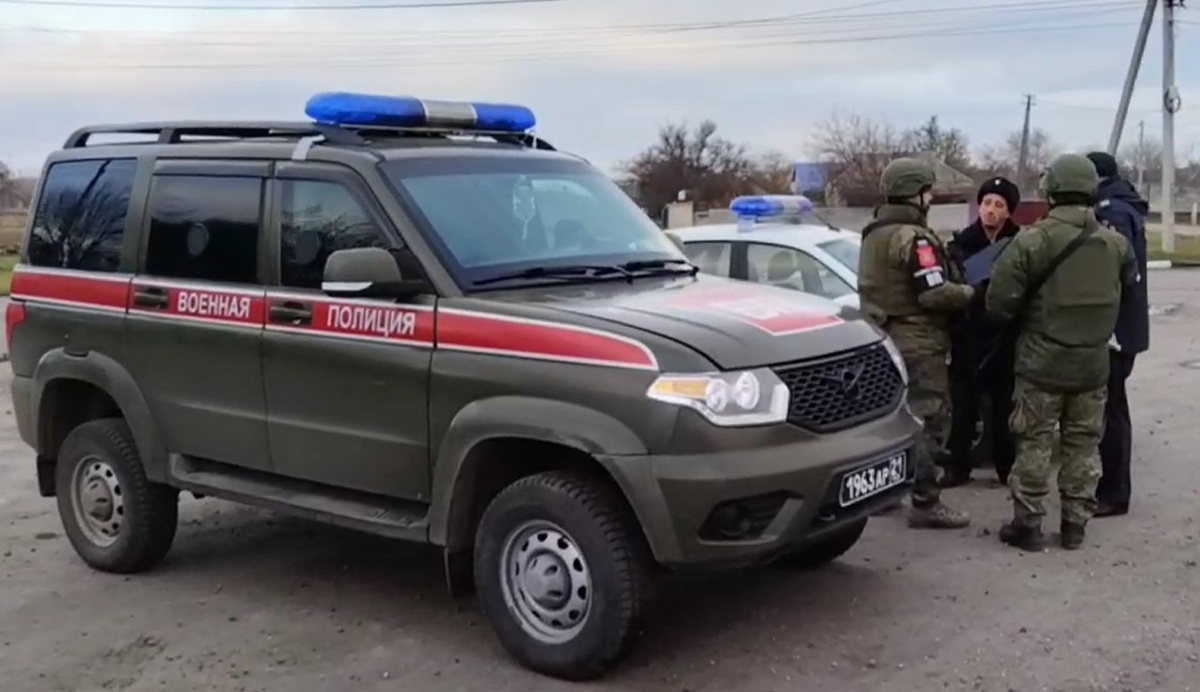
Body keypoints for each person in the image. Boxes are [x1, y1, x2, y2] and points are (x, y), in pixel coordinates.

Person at [985, 153, 1139, 551]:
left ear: (1050, 189)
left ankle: (1028, 525)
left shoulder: (1031, 240)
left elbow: (999, 304)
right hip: (1092, 364)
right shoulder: (1115, 243)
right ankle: (1075, 524)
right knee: (1082, 445)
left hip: (1041, 363)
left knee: (1034, 441)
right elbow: (1127, 292)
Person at [858, 157, 974, 529]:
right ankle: (925, 501)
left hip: (882, 337)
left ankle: (881, 493)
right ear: (915, 194)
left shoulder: (873, 233)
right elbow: (933, 293)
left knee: (891, 420)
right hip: (919, 341)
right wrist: (972, 293)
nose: (932, 197)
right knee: (930, 418)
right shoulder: (913, 238)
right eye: (928, 190)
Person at [942, 176, 1022, 488]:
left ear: (1008, 212)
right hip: (969, 334)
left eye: (998, 205)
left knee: (1004, 407)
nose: (990, 210)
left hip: (1004, 336)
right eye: (987, 203)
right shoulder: (961, 243)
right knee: (963, 404)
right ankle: (957, 465)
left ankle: (1006, 466)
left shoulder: (1019, 244)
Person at [1086, 151, 1150, 518]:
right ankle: (1110, 487)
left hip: (1114, 330)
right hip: (1123, 329)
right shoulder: (1123, 204)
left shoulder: (1112, 212)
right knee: (1111, 409)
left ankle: (1113, 492)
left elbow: (1110, 271)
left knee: (1111, 413)